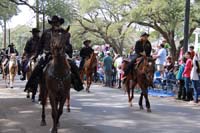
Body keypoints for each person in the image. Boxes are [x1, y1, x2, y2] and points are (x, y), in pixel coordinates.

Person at [25, 15, 83, 92]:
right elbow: (40, 45)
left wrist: (68, 53)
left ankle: (78, 83)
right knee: (37, 67)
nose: (55, 24)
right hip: (47, 53)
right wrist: (36, 55)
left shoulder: (64, 33)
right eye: (54, 23)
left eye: (57, 23)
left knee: (73, 65)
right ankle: (31, 86)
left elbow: (68, 45)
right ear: (51, 24)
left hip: (62, 54)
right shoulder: (46, 32)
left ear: (60, 23)